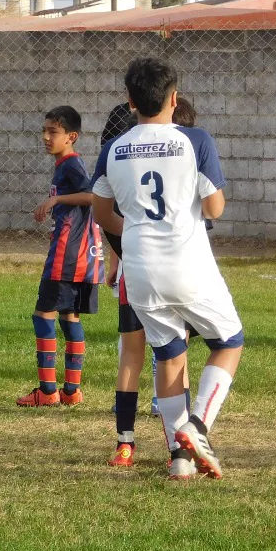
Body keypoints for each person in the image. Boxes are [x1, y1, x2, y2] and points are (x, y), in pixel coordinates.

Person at [92, 59, 243, 480]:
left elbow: (103, 213)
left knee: (168, 356)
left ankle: (180, 461)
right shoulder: (195, 140)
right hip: (187, 263)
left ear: (130, 101)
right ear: (174, 99)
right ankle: (195, 429)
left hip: (139, 270)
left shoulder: (113, 149)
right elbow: (214, 207)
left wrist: (139, 229)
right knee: (229, 341)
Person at [106, 96, 197, 468]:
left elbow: (108, 213)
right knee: (176, 358)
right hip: (177, 272)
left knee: (131, 356)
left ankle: (125, 444)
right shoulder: (188, 165)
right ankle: (181, 448)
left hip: (137, 269)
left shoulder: (125, 160)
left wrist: (119, 255)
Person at [16, 105, 103, 408]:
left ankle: (47, 390)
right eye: (45, 130)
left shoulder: (71, 165)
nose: (45, 136)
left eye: (53, 131)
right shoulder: (65, 164)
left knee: (43, 315)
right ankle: (71, 390)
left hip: (67, 254)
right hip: (83, 256)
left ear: (71, 136)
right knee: (70, 316)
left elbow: (92, 196)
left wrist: (56, 199)